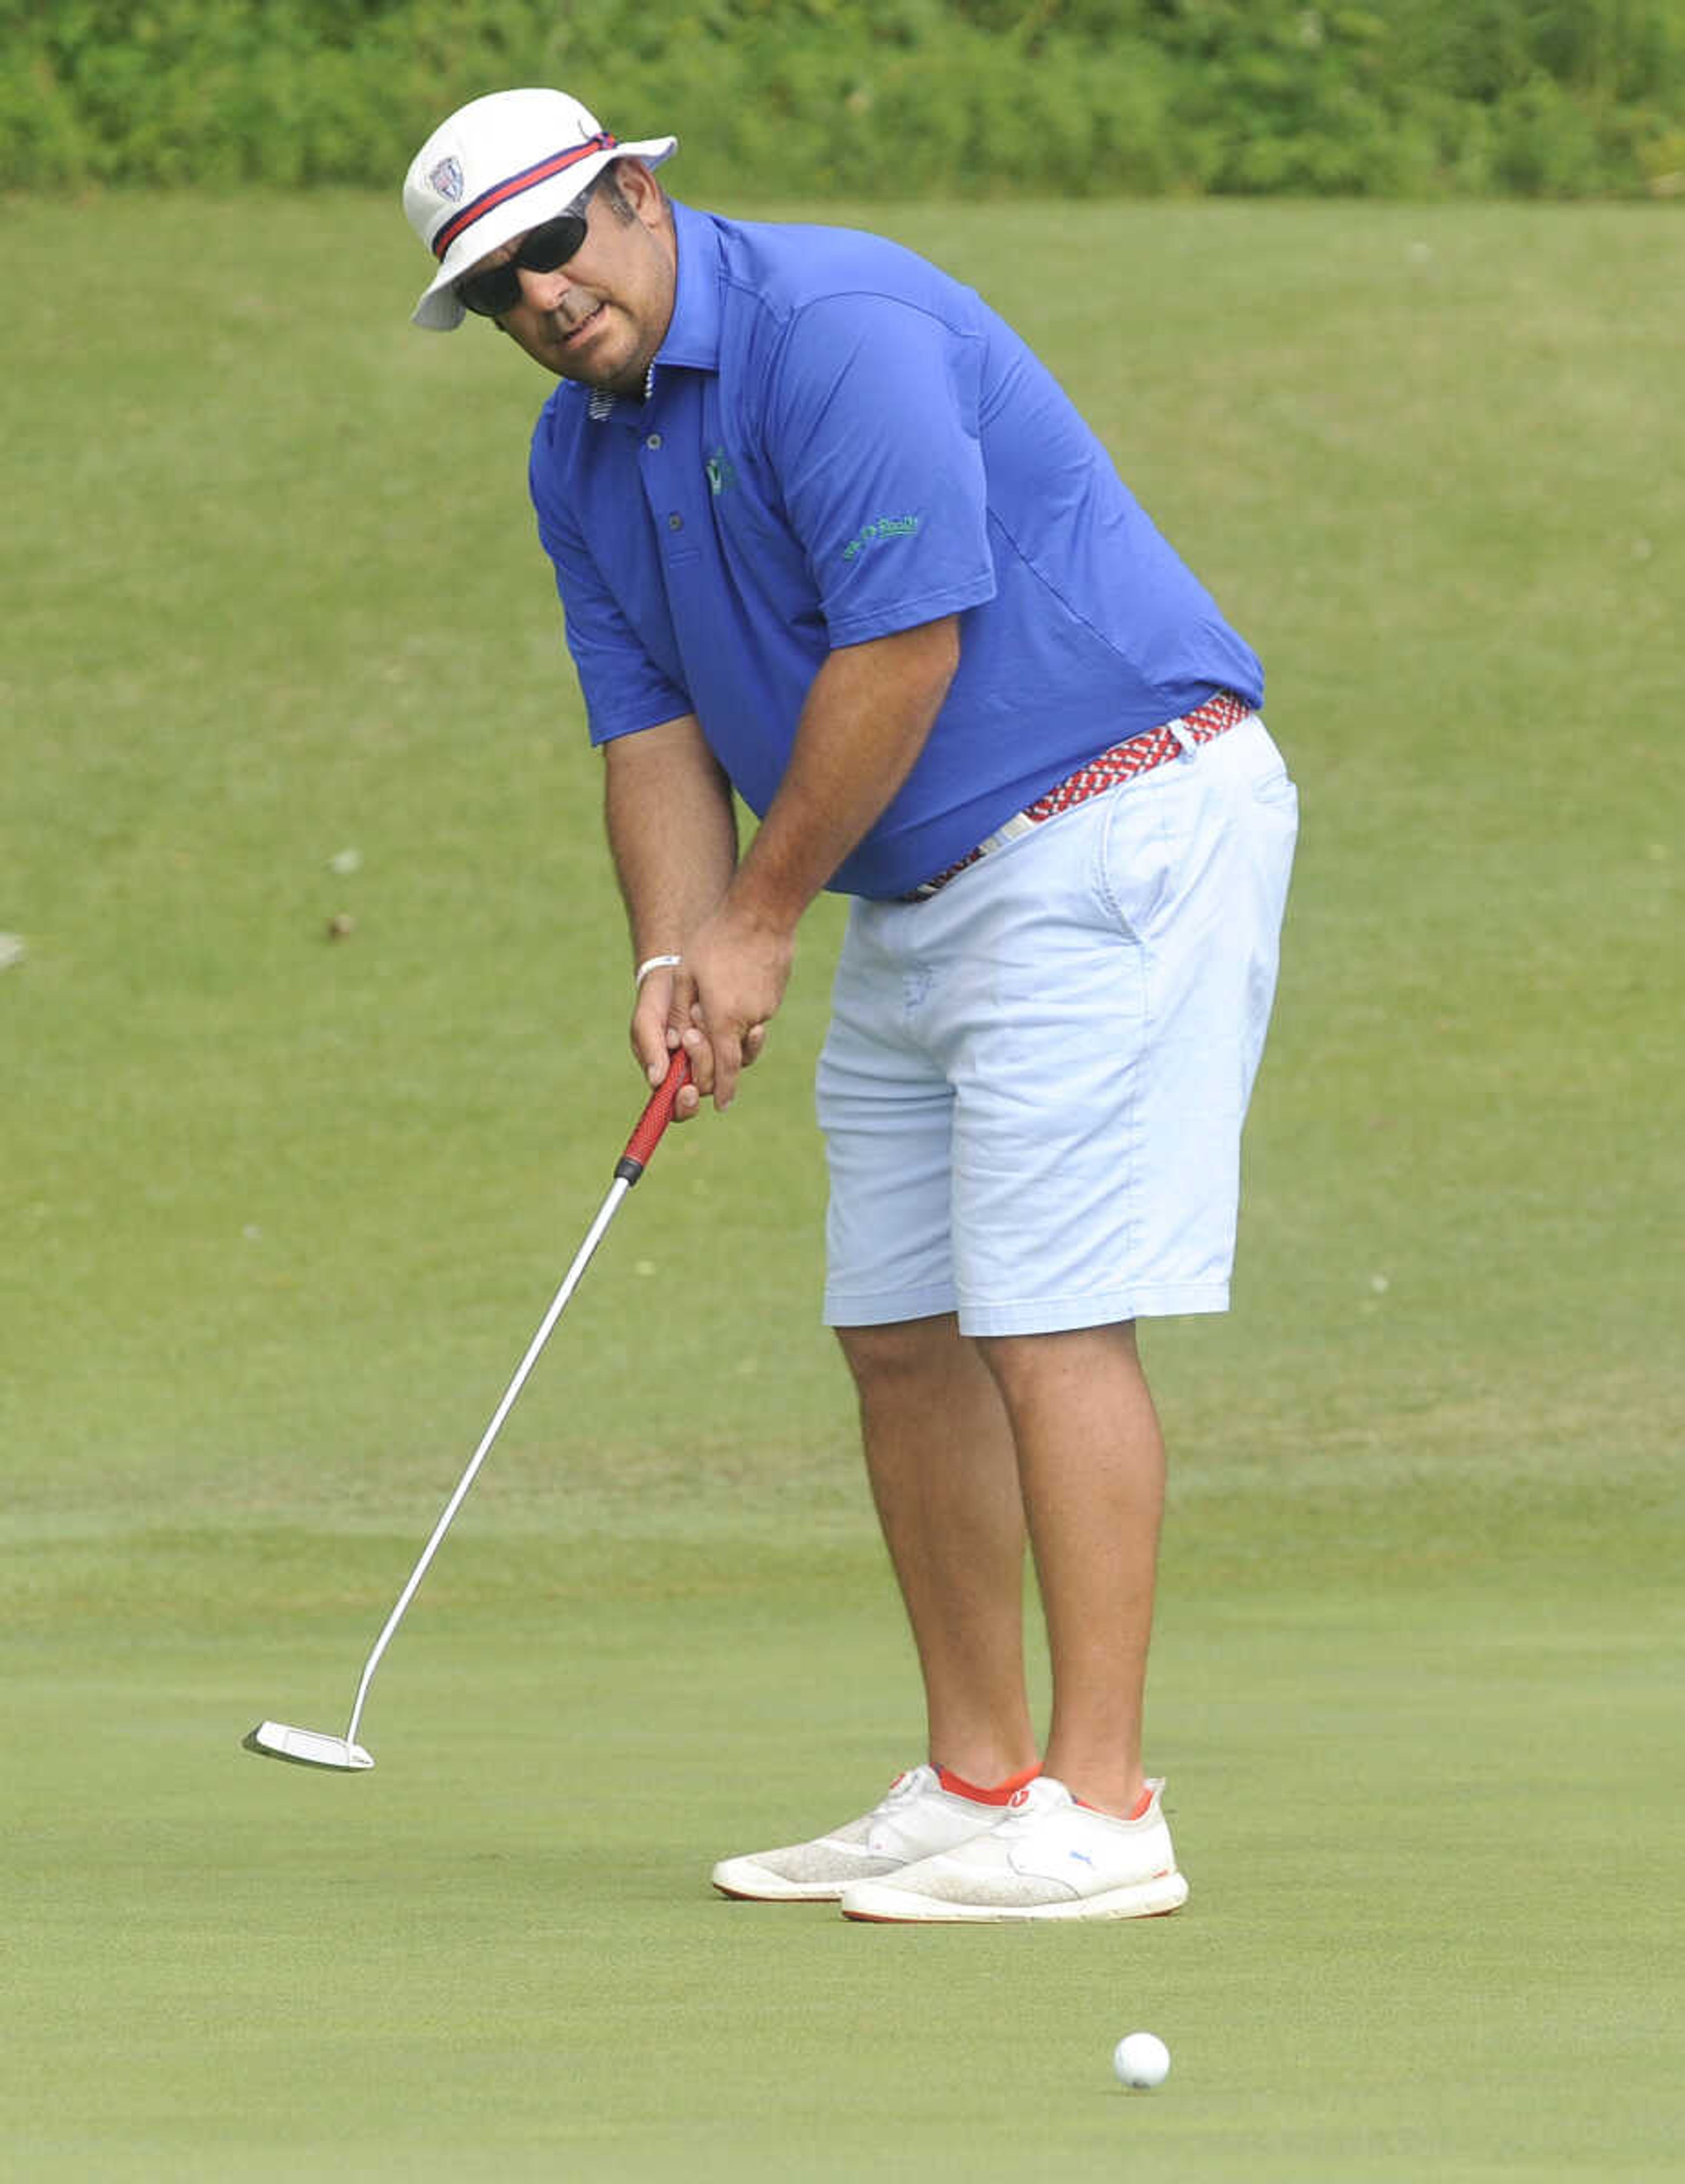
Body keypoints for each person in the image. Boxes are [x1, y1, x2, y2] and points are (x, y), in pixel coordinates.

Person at [402, 87, 1297, 1923]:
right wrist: (675, 953)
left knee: (1048, 1313)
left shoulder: (840, 331)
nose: (541, 303)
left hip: (1109, 816)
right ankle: (981, 1778)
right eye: (495, 289)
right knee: (900, 1327)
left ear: (632, 194)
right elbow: (646, 726)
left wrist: (758, 918)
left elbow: (908, 645)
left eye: (552, 248)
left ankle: (1107, 1806)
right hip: (912, 884)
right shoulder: (577, 458)